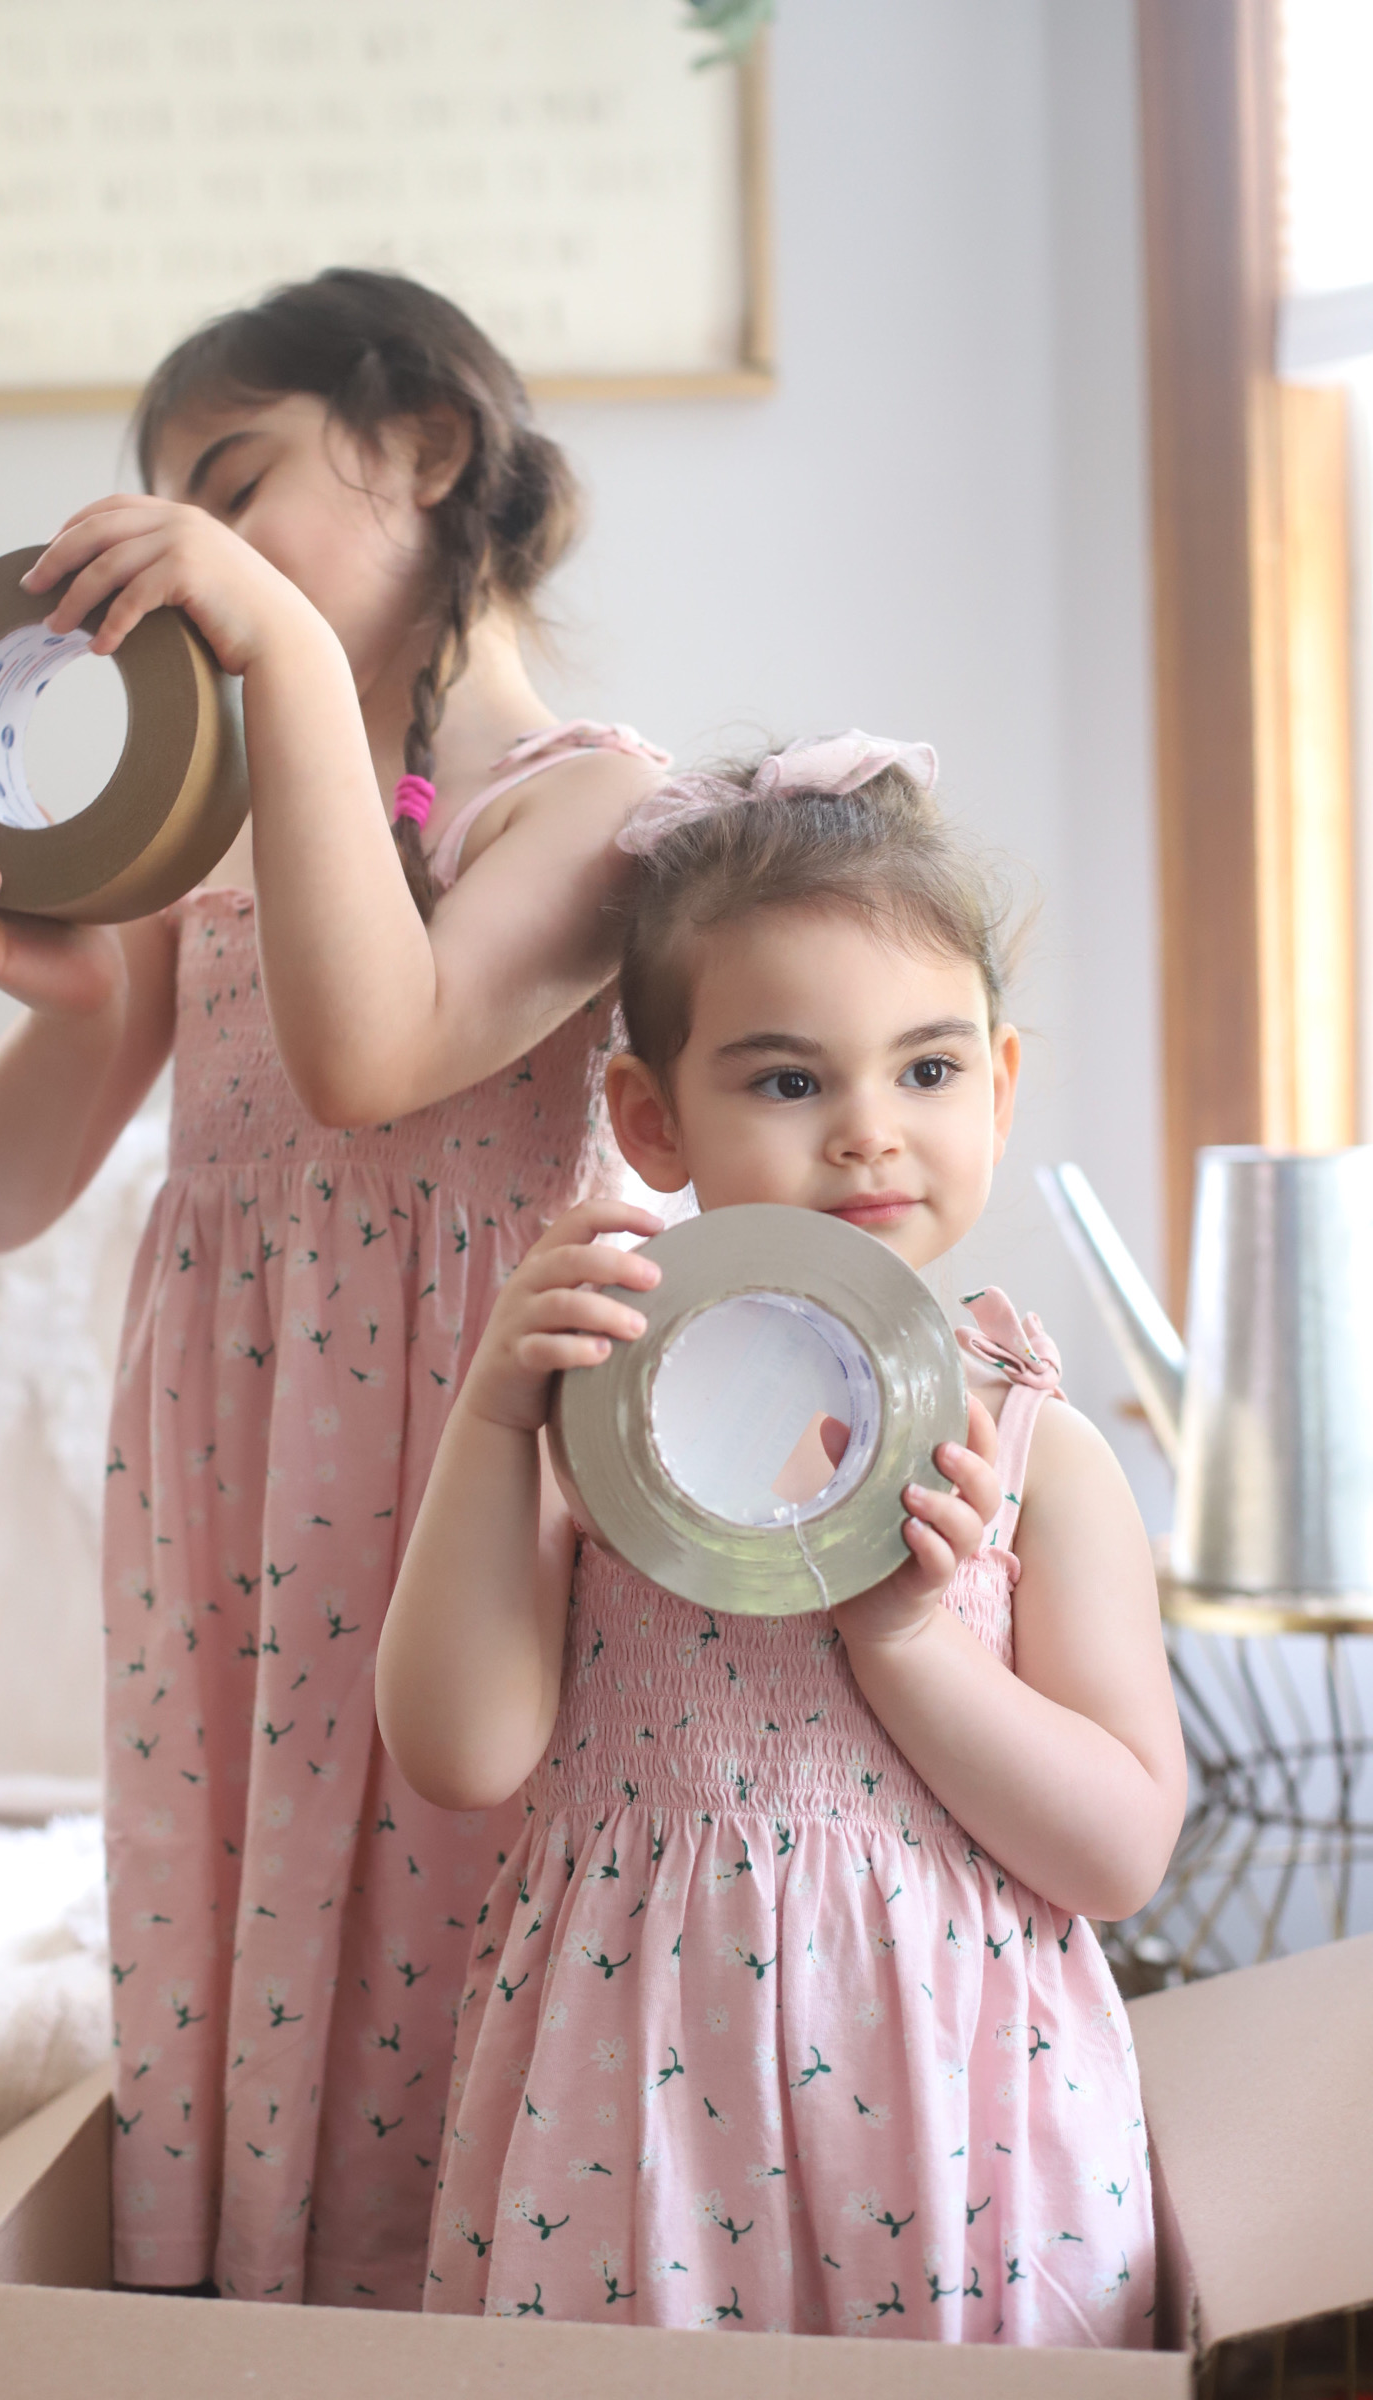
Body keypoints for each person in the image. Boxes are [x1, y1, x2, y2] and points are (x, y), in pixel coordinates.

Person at [0, 270, 668, 2307]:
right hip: (233, 1480)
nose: (193, 545)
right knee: (234, 1903)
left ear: (420, 446)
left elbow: (372, 1053)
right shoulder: (217, 829)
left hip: (467, 1476)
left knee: (451, 1891)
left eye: (231, 487)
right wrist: (64, 1011)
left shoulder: (593, 805)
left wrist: (269, 659)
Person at [376, 734, 1186, 2345]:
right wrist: (489, 1425)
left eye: (930, 1071)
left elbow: (1120, 1849)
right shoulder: (595, 1412)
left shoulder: (1037, 1447)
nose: (870, 1131)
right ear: (650, 1120)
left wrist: (903, 1640)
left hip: (960, 2122)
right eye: (789, 1077)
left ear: (1001, 1088)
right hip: (641, 2116)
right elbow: (462, 1751)